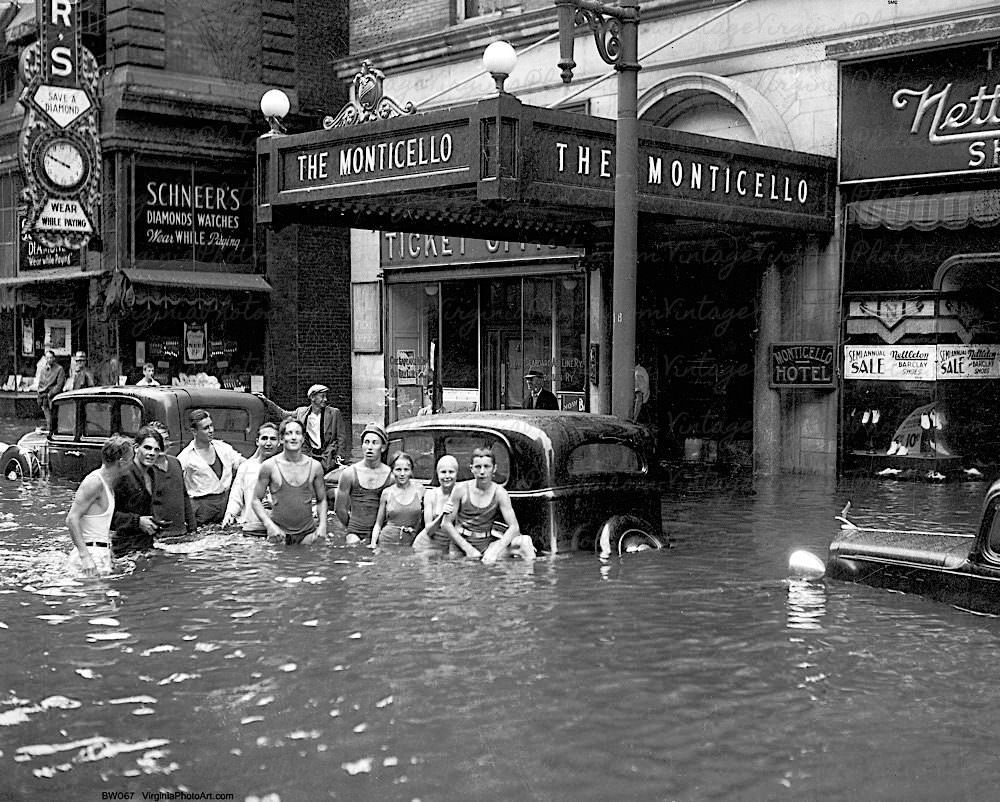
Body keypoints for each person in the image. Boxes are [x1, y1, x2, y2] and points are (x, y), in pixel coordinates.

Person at [441, 446, 536, 562]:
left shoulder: (500, 493)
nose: (482, 472)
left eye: (486, 467)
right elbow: (446, 524)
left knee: (525, 542)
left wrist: (496, 550)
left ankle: (529, 578)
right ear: (471, 469)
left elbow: (514, 527)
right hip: (460, 546)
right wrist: (468, 549)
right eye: (478, 467)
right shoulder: (460, 489)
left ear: (494, 468)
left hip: (486, 544)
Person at [66, 435, 134, 576]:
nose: (133, 463)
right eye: (131, 459)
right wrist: (85, 557)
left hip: (100, 552)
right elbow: (72, 519)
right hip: (90, 555)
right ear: (121, 462)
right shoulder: (94, 482)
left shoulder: (108, 484)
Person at [251, 417, 328, 545]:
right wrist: (269, 525)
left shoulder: (315, 466)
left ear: (303, 439)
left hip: (308, 534)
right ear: (281, 439)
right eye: (288, 433)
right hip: (279, 534)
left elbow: (322, 499)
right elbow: (255, 500)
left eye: (297, 433)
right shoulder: (269, 466)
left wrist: (323, 526)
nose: (293, 437)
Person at [110, 426, 174, 556]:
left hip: (146, 544)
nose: (151, 453)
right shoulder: (123, 476)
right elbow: (106, 516)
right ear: (136, 448)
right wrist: (137, 521)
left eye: (156, 450)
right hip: (123, 547)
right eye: (147, 448)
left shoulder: (153, 474)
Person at [178, 409, 246, 526]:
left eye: (211, 426)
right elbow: (177, 484)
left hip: (225, 502)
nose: (211, 431)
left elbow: (243, 464)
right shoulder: (186, 457)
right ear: (194, 431)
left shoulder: (223, 448)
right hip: (202, 507)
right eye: (205, 428)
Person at [335, 422, 393, 545]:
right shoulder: (349, 474)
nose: (370, 447)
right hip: (355, 531)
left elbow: (392, 510)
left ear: (383, 447)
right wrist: (353, 527)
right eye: (366, 442)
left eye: (374, 443)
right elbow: (340, 509)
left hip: (380, 532)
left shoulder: (391, 477)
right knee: (352, 546)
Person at [222, 421, 280, 536]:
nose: (268, 443)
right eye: (264, 438)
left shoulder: (285, 467)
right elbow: (236, 496)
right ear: (257, 441)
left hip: (278, 527)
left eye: (273, 439)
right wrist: (230, 514)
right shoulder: (246, 467)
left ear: (279, 442)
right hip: (251, 526)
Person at [146, 421, 196, 537]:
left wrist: (192, 528)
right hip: (159, 536)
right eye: (159, 440)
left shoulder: (175, 462)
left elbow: (184, 496)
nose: (164, 444)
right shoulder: (146, 470)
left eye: (166, 439)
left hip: (181, 533)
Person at [291, 384, 349, 473]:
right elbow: (283, 414)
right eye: (322, 396)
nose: (325, 399)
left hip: (328, 458)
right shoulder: (302, 413)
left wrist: (339, 457)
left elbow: (341, 438)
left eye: (326, 396)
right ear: (312, 397)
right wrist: (266, 401)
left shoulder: (334, 413)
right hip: (310, 456)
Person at [371, 451, 424, 547]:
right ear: (392, 471)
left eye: (406, 469)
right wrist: (373, 544)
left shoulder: (420, 490)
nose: (402, 474)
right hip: (387, 540)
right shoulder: (387, 493)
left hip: (411, 542)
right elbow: (378, 524)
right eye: (398, 469)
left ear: (411, 471)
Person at [411, 454, 458, 552]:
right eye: (443, 472)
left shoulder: (461, 493)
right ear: (437, 474)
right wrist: (442, 515)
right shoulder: (431, 494)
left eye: (451, 472)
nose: (447, 476)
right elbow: (429, 530)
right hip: (426, 545)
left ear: (457, 473)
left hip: (450, 546)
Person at [37, 349, 65, 430]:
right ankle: (50, 430)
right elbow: (40, 384)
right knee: (48, 418)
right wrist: (40, 393)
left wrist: (51, 393)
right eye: (47, 358)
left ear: (54, 358)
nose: (49, 360)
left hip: (54, 397)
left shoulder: (59, 369)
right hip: (44, 397)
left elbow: (59, 385)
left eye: (51, 358)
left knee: (54, 419)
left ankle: (52, 432)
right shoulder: (43, 370)